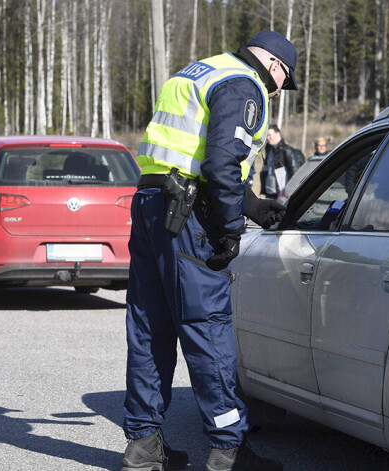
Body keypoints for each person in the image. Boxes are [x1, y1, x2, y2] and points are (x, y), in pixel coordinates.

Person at [122, 30, 296, 471]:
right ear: (275, 66)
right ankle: (228, 451)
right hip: (188, 217)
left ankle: (143, 447)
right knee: (208, 327)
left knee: (148, 328)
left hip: (150, 205)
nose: (277, 90)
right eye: (282, 82)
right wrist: (231, 227)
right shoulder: (245, 84)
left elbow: (191, 154)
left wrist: (253, 205)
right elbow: (221, 161)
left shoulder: (197, 71)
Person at [260, 125, 304, 201]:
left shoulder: (287, 150)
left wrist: (288, 192)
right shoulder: (268, 149)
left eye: (270, 135)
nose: (267, 138)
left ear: (278, 134)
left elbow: (294, 173)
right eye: (266, 136)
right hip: (269, 193)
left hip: (281, 195)